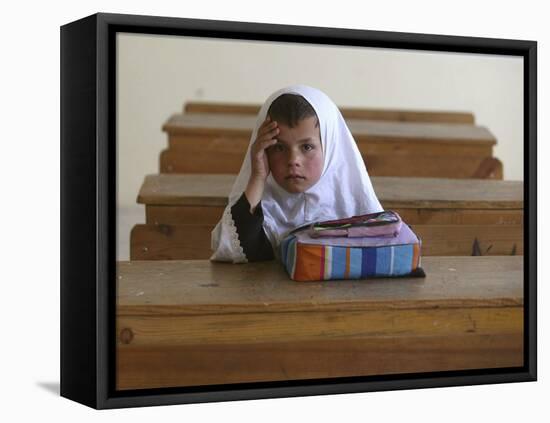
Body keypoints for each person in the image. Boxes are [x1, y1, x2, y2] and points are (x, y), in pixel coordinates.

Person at [210, 84, 383, 263]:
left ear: (330, 147)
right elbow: (233, 252)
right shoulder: (260, 203)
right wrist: (258, 177)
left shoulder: (356, 208)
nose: (293, 160)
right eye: (279, 147)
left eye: (307, 147)